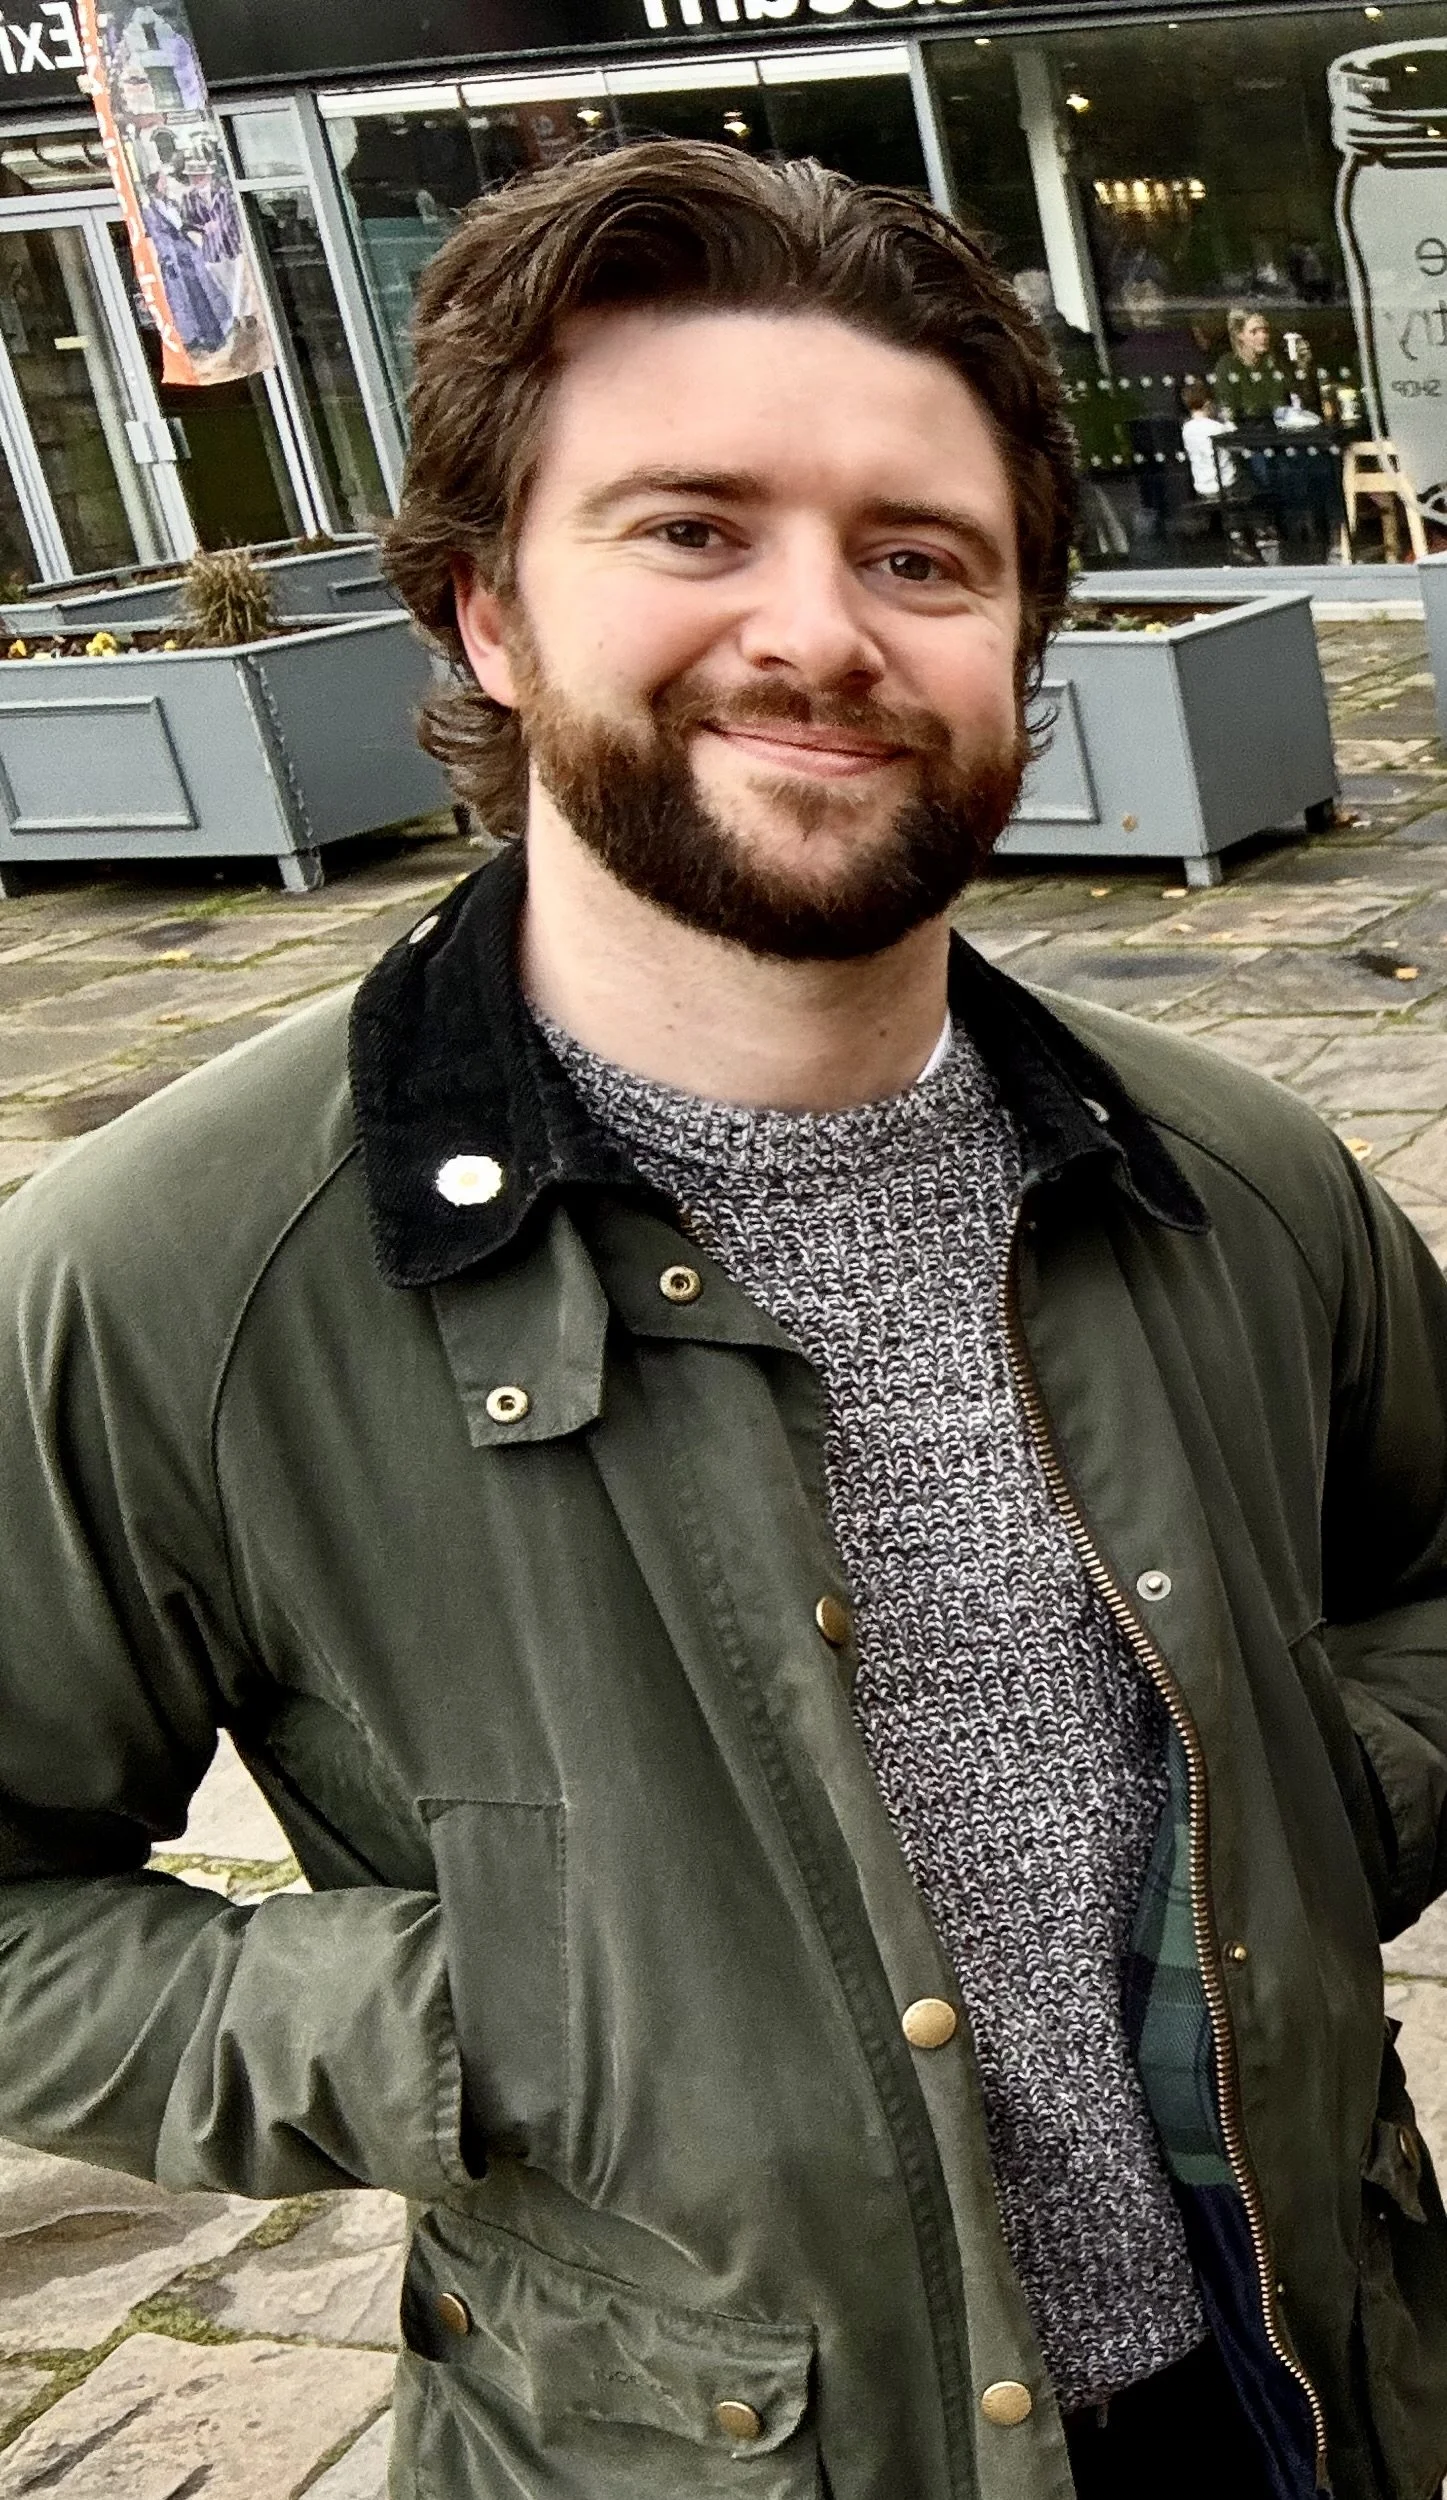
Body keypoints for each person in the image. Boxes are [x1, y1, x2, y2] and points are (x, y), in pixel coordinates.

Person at [0, 140, 1445, 2500]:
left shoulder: (1241, 1180)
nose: (820, 631)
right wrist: (488, 2011)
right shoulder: (169, 1278)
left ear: (1021, 642)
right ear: (486, 611)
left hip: (1289, 2394)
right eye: (691, 529)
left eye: (919, 556)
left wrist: (1311, 1802)